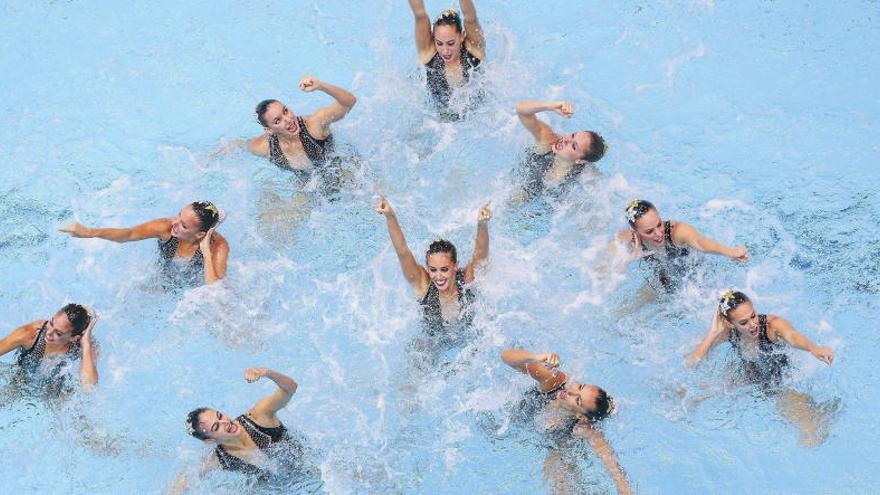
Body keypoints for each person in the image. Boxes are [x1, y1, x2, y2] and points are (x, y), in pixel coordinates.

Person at [686, 290, 837, 446]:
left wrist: (812, 347)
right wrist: (713, 332)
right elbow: (691, 363)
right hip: (748, 376)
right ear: (731, 323)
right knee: (691, 394)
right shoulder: (727, 332)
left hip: (780, 384)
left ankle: (823, 412)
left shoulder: (772, 326)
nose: (753, 324)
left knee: (812, 436)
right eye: (743, 323)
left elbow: (792, 336)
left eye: (753, 315)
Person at [501, 348, 630, 494]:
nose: (570, 391)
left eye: (578, 400)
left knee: (562, 476)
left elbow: (614, 468)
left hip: (555, 443)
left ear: (581, 416)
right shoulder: (554, 381)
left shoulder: (583, 426)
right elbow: (506, 356)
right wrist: (535, 357)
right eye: (580, 387)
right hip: (516, 421)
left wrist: (624, 489)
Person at [174, 368, 317, 492]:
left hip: (312, 468)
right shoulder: (220, 458)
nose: (226, 422)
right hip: (278, 486)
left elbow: (291, 388)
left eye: (220, 415)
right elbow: (184, 480)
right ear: (210, 440)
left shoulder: (258, 417)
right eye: (216, 426)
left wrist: (267, 372)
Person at [376, 197, 489, 333]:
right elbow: (402, 252)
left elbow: (480, 255)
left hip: (469, 336)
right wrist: (390, 216)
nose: (438, 276)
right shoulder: (424, 285)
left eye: (445, 269)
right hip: (433, 339)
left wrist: (482, 224)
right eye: (433, 270)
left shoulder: (466, 280)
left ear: (455, 266)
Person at [59, 201, 228, 287]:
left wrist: (206, 252)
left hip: (193, 287)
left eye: (183, 225)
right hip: (163, 280)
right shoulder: (165, 227)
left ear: (200, 233)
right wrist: (90, 232)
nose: (175, 223)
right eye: (178, 215)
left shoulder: (218, 246)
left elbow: (213, 290)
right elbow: (128, 234)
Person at [610, 199, 748, 291]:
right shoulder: (626, 239)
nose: (658, 233)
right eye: (649, 231)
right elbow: (603, 271)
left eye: (659, 224)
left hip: (694, 274)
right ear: (635, 231)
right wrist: (629, 258)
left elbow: (700, 242)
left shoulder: (677, 231)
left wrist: (728, 251)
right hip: (661, 277)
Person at [248, 76, 357, 187]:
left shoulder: (314, 125)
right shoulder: (266, 147)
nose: (288, 120)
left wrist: (321, 86)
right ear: (269, 130)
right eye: (277, 121)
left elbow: (350, 102)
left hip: (343, 172)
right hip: (309, 186)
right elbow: (242, 145)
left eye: (285, 111)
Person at [408, 0, 485, 120]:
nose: (445, 51)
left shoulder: (474, 51)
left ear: (462, 36)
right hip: (439, 124)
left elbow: (470, 18)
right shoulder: (428, 54)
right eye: (439, 43)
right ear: (433, 38)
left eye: (450, 43)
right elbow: (420, 15)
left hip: (478, 119)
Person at [514, 100, 607, 199]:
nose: (566, 140)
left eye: (574, 146)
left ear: (580, 161)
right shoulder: (548, 142)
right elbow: (521, 110)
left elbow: (604, 194)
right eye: (572, 135)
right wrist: (550, 106)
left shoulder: (584, 171)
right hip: (522, 186)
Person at [0, 304, 98, 395]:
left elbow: (89, 387)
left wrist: (86, 343)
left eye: (58, 333)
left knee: (75, 412)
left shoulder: (82, 346)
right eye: (51, 323)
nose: (49, 333)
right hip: (20, 379)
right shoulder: (31, 334)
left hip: (54, 388)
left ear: (74, 338)